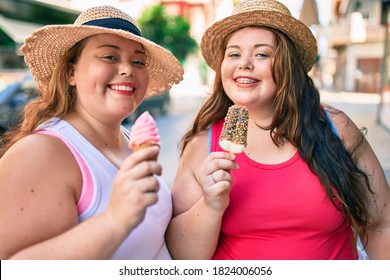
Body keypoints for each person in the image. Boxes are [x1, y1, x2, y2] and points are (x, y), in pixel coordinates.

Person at [166, 0, 390, 260]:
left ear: (287, 66)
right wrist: (210, 205)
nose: (244, 64)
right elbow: (182, 258)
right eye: (234, 54)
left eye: (261, 54)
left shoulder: (335, 128)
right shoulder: (201, 146)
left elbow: (382, 224)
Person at [0, 6, 183, 259]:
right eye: (109, 56)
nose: (128, 69)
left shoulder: (129, 141)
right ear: (71, 72)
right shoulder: (40, 152)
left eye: (138, 61)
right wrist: (115, 221)